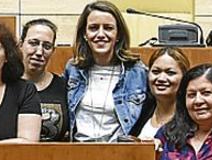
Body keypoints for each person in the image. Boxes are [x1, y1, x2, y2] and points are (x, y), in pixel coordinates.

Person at [63, 0, 147, 141]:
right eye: (94, 28)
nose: (101, 34)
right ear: (85, 34)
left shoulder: (136, 72)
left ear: (118, 34)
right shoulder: (73, 69)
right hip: (78, 153)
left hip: (119, 153)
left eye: (108, 28)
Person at [19, 18, 68, 141]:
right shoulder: (5, 86)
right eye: (33, 43)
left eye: (47, 46)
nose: (39, 52)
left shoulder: (64, 87)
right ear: (20, 45)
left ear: (53, 51)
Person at [132, 47, 189, 141]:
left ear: (184, 77)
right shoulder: (141, 109)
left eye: (170, 73)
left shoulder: (191, 116)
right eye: (156, 72)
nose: (161, 78)